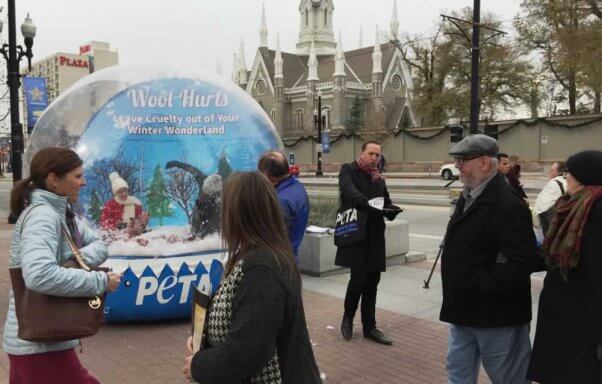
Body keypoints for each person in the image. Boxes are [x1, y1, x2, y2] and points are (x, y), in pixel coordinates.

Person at [182, 171, 321, 383]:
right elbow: (243, 321)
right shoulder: (253, 254)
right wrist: (205, 341)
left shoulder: (263, 268)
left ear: (239, 213)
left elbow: (247, 352)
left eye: (225, 208)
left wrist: (198, 365)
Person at [3, 147, 122, 384]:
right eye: (77, 176)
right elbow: (39, 276)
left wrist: (68, 257)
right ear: (53, 179)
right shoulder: (43, 217)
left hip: (46, 341)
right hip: (39, 347)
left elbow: (101, 245)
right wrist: (100, 281)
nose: (83, 182)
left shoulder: (65, 215)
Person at [440, 135, 536, 384]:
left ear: (484, 163)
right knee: (458, 373)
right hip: (463, 311)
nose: (458, 165)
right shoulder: (468, 194)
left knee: (509, 377)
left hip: (496, 316)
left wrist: (482, 285)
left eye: (462, 160)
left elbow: (519, 261)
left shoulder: (509, 204)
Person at [527, 150, 602, 384]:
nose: (564, 177)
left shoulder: (595, 212)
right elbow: (554, 254)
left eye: (568, 173)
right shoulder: (572, 206)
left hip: (584, 325)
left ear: (582, 177)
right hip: (566, 318)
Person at [335, 140, 402, 345]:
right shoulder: (349, 170)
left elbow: (385, 201)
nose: (374, 158)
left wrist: (392, 210)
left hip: (374, 235)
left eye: (378, 155)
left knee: (373, 282)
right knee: (358, 280)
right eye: (371, 154)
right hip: (357, 234)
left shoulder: (378, 177)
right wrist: (369, 203)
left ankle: (370, 327)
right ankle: (348, 319)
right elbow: (349, 192)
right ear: (362, 153)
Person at [258, 150, 310, 263]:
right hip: (290, 258)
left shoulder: (281, 201)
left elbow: (270, 237)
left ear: (266, 174)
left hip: (277, 262)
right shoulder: (296, 187)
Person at [534, 161, 567, 235]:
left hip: (549, 217)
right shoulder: (565, 181)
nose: (550, 172)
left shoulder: (554, 182)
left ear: (559, 172)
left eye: (552, 170)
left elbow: (541, 204)